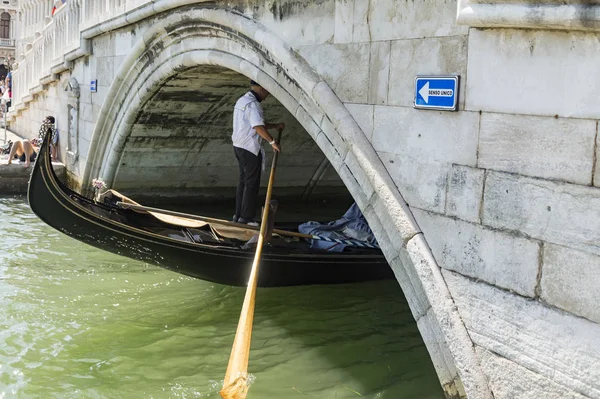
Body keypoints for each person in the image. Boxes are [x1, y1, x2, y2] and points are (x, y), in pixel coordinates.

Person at [232, 80, 284, 226]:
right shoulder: (253, 105)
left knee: (243, 182)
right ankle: (246, 218)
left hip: (238, 146)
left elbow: (256, 123)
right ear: (261, 88)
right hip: (249, 148)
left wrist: (275, 126)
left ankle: (238, 216)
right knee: (251, 183)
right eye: (266, 92)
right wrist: (273, 142)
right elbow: (257, 127)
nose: (266, 95)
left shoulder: (242, 101)